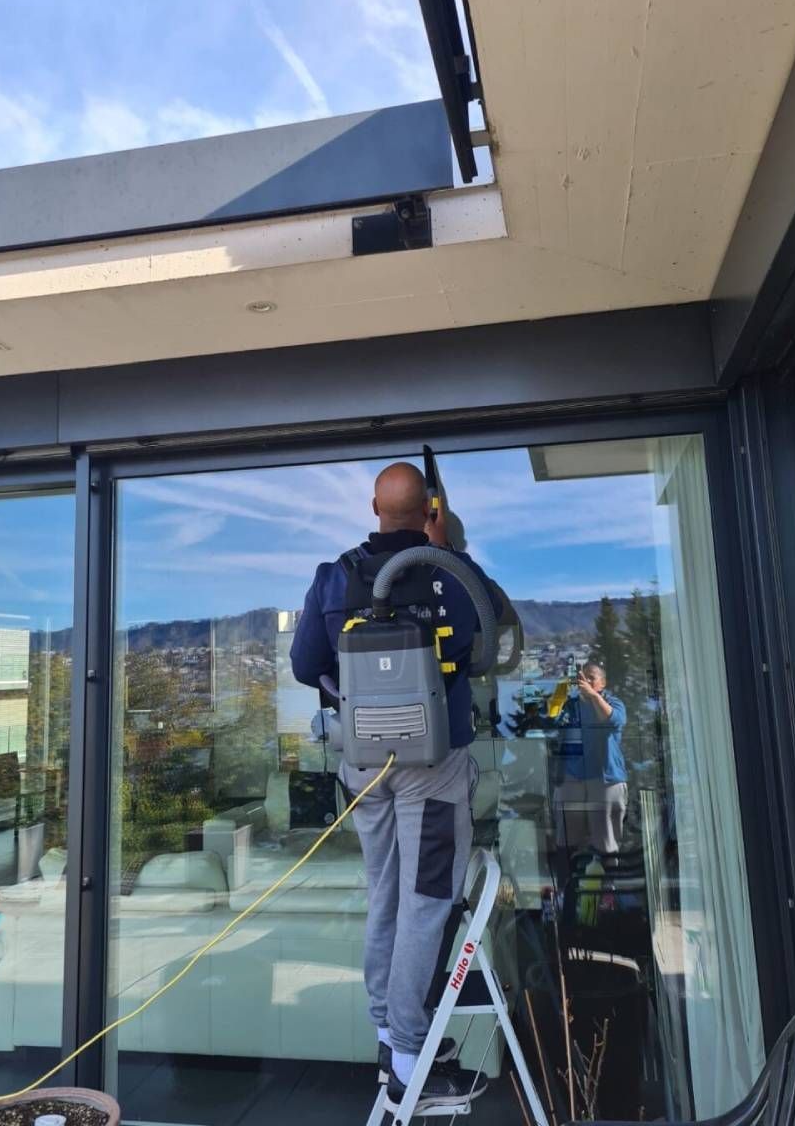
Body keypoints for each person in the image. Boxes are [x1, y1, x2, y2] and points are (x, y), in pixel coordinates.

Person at [290, 462, 498, 1113]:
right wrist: (446, 549)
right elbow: (486, 644)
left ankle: (391, 1032)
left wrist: (355, 694)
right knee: (428, 898)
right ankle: (410, 1056)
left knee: (386, 890)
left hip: (364, 767)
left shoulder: (334, 576)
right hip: (432, 767)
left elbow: (304, 666)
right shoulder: (451, 576)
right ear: (429, 509)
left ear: (374, 505)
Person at [553, 663, 628, 855]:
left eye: (591, 678)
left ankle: (609, 880)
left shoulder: (613, 702)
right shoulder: (571, 706)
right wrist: (561, 691)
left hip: (605, 778)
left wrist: (593, 696)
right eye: (582, 678)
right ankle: (567, 879)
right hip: (573, 776)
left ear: (603, 683)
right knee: (568, 838)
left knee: (606, 839)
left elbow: (613, 720)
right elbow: (550, 721)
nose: (585, 681)